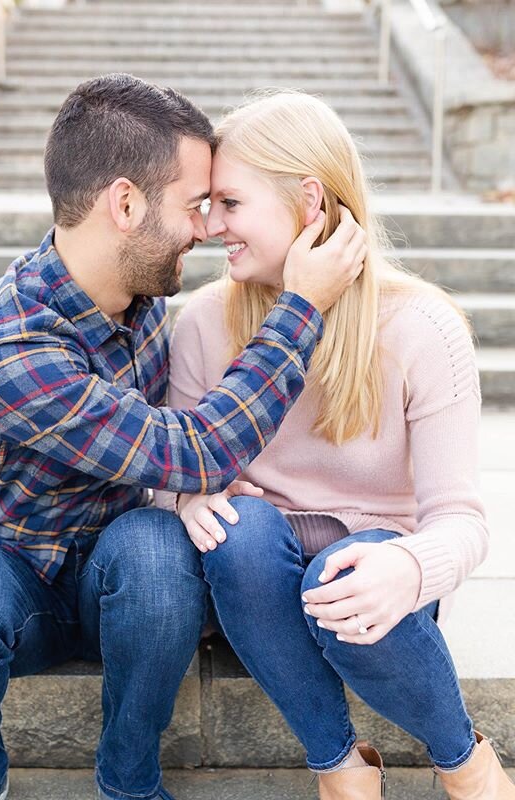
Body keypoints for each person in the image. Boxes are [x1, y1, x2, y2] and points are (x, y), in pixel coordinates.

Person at [0, 74, 366, 800]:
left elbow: (181, 463)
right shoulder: (11, 345)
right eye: (193, 205)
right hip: (6, 570)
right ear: (125, 204)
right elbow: (196, 449)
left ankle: (130, 780)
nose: (207, 228)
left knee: (155, 549)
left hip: (123, 574)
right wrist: (300, 306)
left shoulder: (141, 297)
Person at [155, 90, 515, 800]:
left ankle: (463, 761)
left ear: (309, 201)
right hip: (255, 585)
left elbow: (462, 521)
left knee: (342, 577)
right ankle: (341, 766)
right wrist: (187, 492)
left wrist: (410, 567)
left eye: (230, 204)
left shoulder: (423, 328)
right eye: (208, 206)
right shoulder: (203, 321)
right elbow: (166, 464)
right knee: (238, 531)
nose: (209, 227)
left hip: (376, 587)